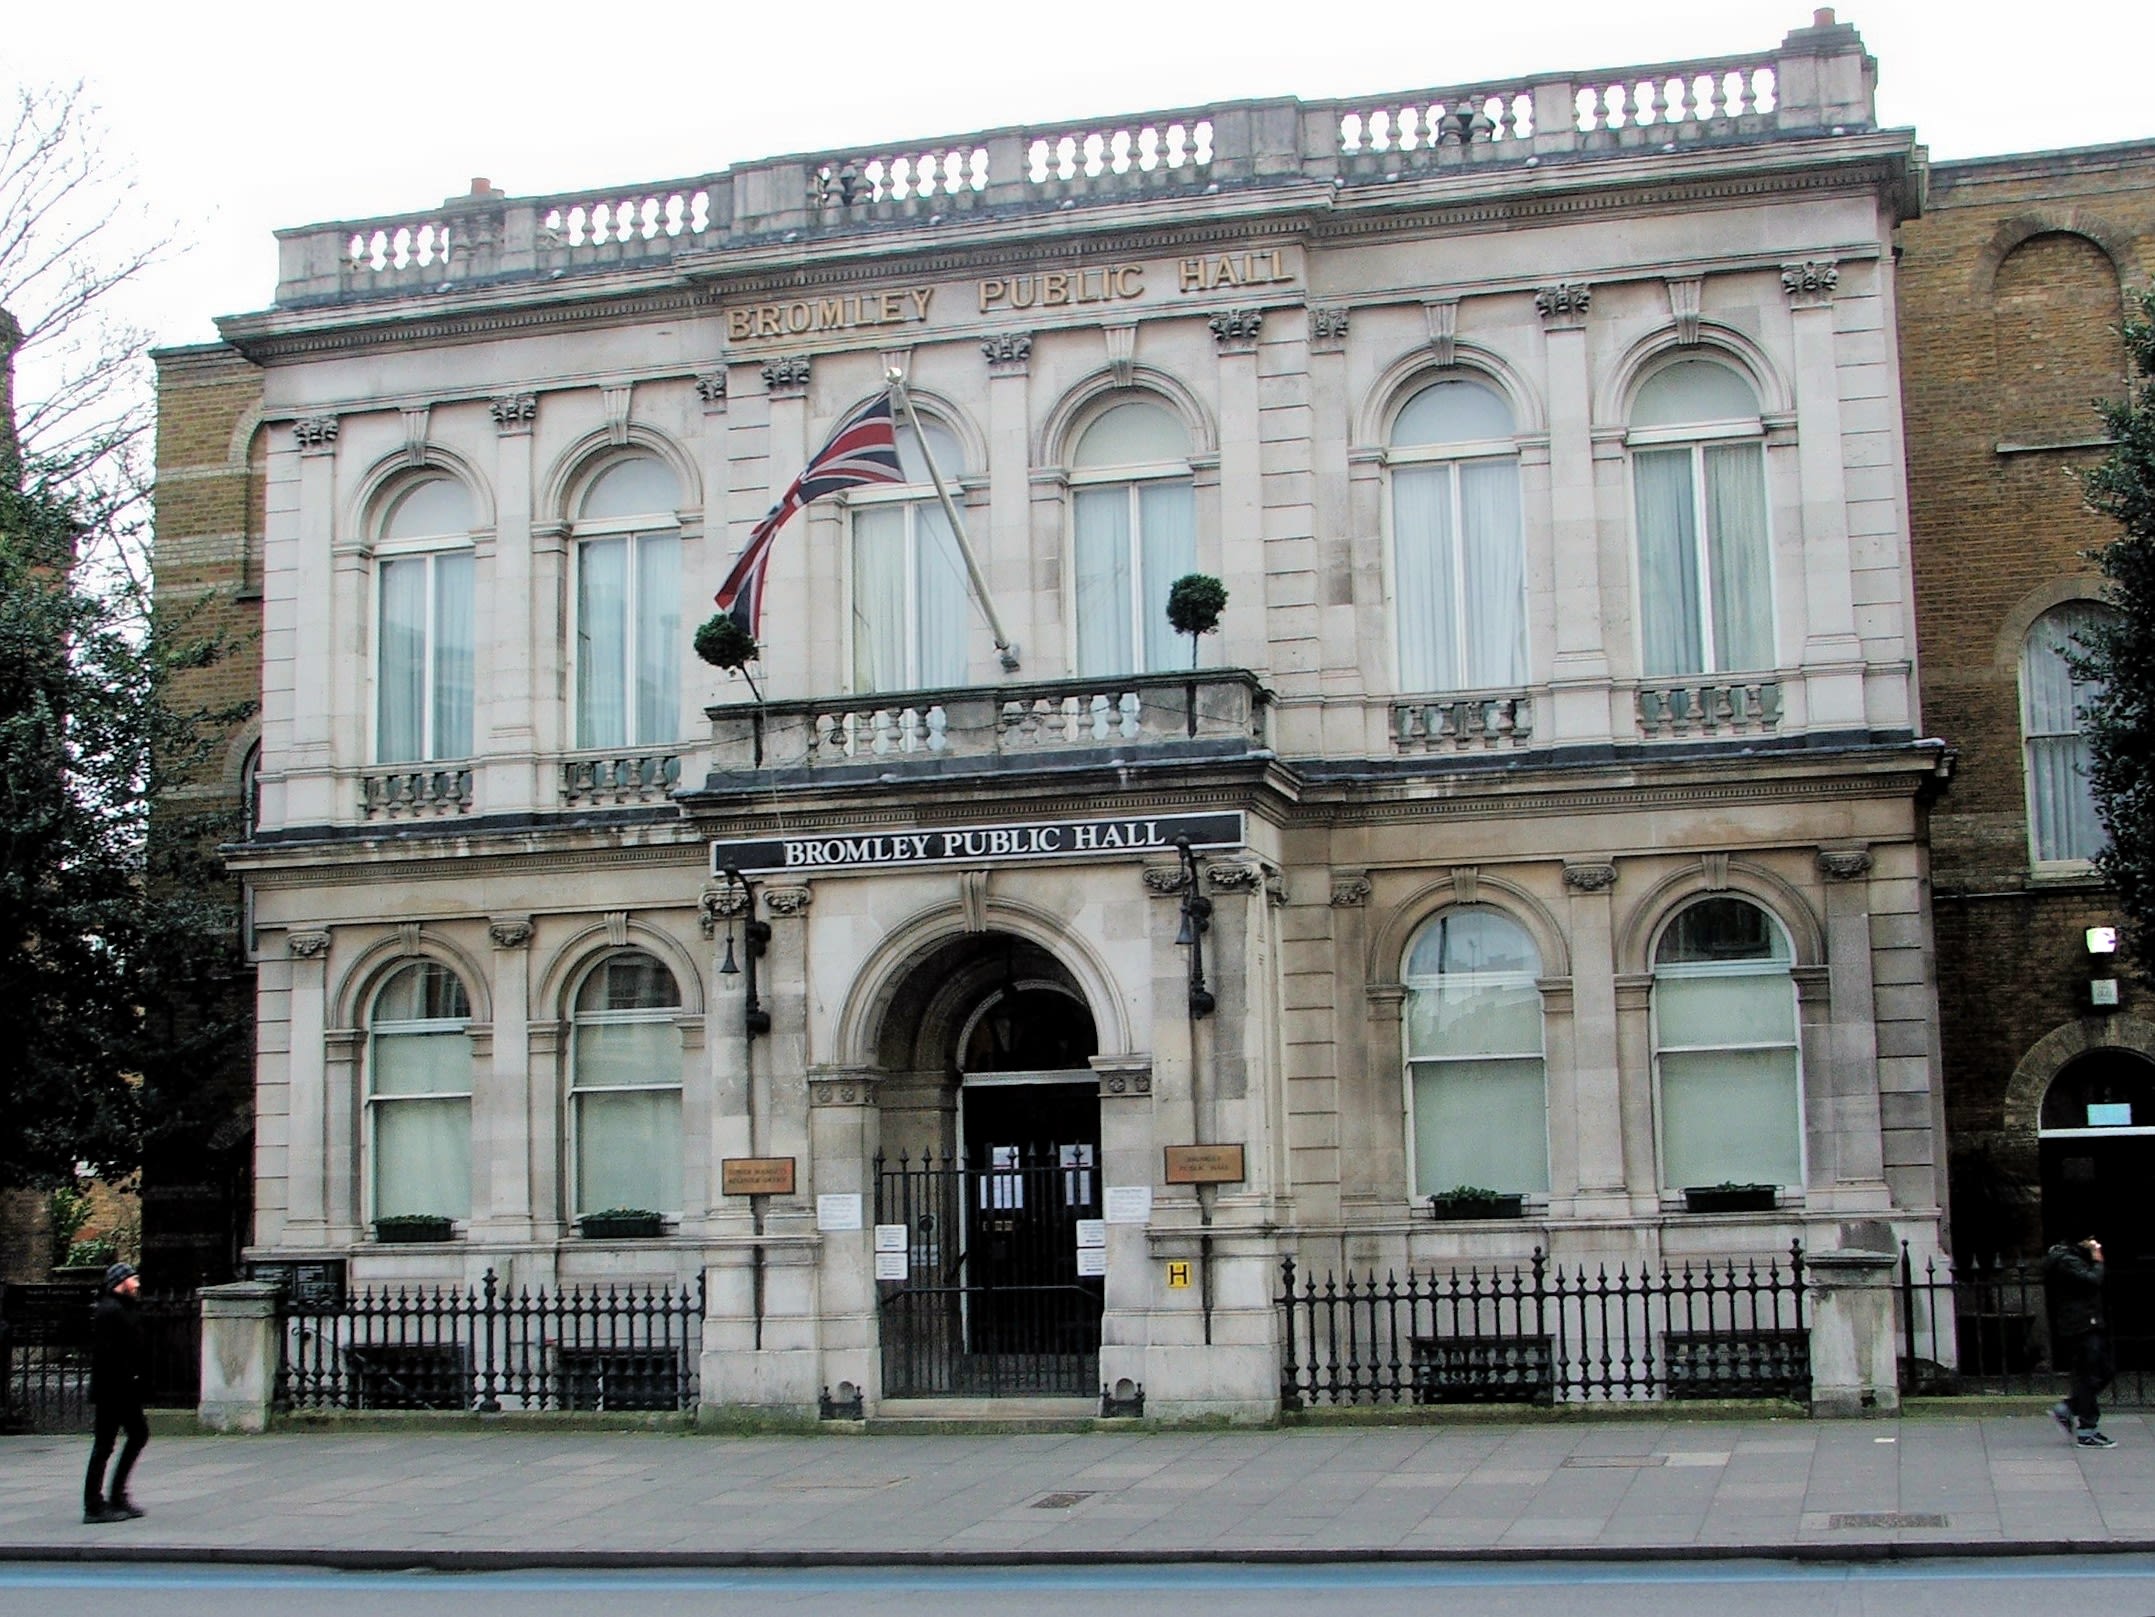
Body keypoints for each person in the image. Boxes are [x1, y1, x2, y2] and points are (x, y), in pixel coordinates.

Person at [82, 1262, 149, 1522]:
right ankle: (94, 1505)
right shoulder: (109, 1311)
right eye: (134, 1278)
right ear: (121, 1281)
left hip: (124, 1388)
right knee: (104, 1446)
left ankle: (116, 1496)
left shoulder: (124, 1307)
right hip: (113, 1390)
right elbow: (108, 1354)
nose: (138, 1283)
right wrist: (127, 1378)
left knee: (137, 1435)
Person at [2044, 1235, 2116, 1449]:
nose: (2097, 1244)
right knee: (2088, 1374)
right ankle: (2087, 1429)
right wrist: (2097, 1260)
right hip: (2081, 1325)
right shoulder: (2067, 1260)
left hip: (2086, 1322)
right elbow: (2092, 1280)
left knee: (2104, 1370)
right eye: (2092, 1240)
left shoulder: (2071, 1258)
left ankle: (2068, 1409)